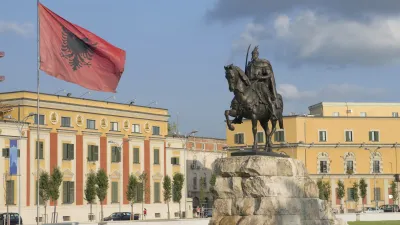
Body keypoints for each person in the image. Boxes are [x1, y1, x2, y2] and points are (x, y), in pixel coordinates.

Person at [245, 46, 278, 120]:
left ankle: (273, 113)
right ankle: (239, 114)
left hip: (259, 84)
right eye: (252, 54)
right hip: (250, 85)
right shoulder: (249, 65)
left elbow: (269, 75)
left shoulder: (262, 63)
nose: (253, 55)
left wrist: (260, 77)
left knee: (267, 97)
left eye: (255, 54)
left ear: (257, 54)